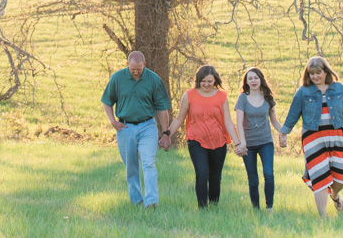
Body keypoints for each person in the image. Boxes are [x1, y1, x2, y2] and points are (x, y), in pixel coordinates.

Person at [278, 56, 343, 218]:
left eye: (318, 73)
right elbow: (292, 115)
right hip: (313, 139)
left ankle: (335, 196)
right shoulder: (303, 92)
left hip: (337, 137)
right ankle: (323, 218)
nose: (315, 77)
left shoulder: (339, 89)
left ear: (326, 72)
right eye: (312, 74)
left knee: (340, 177)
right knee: (320, 178)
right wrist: (284, 133)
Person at [164, 65, 243, 209]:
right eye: (203, 81)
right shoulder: (189, 95)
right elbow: (179, 119)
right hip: (196, 141)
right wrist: (167, 134)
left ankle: (213, 207)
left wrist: (238, 143)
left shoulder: (221, 97)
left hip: (218, 142)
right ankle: (202, 208)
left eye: (209, 81)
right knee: (201, 174)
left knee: (215, 178)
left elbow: (228, 122)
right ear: (198, 80)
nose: (206, 84)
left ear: (215, 81)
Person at [101, 51, 172, 209]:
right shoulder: (117, 78)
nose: (135, 72)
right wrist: (113, 121)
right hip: (125, 127)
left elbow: (162, 108)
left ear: (144, 65)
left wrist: (166, 133)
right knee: (131, 166)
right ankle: (136, 200)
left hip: (147, 126)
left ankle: (151, 201)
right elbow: (107, 101)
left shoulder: (153, 79)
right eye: (132, 68)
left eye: (138, 69)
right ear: (128, 64)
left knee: (148, 163)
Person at [234, 67, 283, 212]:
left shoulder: (268, 97)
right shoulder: (243, 98)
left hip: (265, 142)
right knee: (253, 179)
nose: (253, 81)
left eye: (256, 78)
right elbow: (239, 123)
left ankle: (269, 207)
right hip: (248, 144)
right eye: (250, 78)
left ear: (261, 79)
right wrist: (242, 143)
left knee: (268, 173)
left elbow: (274, 121)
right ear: (246, 82)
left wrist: (284, 132)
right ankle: (256, 209)